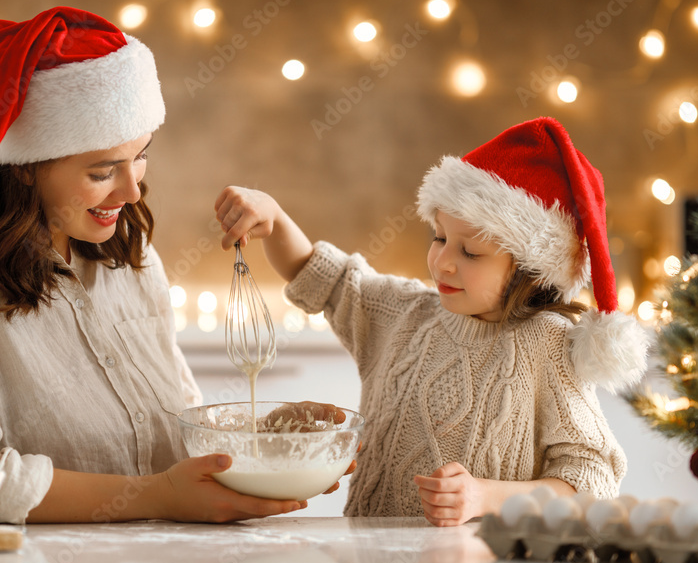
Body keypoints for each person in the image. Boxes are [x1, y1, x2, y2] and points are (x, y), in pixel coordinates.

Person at [0, 6, 331, 525]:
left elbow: (171, 436)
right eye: (103, 171)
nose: (133, 190)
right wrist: (158, 496)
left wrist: (279, 443)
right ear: (25, 168)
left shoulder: (129, 259)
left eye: (140, 156)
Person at [214, 117, 651, 527]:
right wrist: (274, 217)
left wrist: (484, 496)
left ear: (529, 269)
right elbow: (318, 274)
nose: (442, 262)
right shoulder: (403, 312)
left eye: (470, 252)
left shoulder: (548, 346)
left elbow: (592, 479)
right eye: (439, 237)